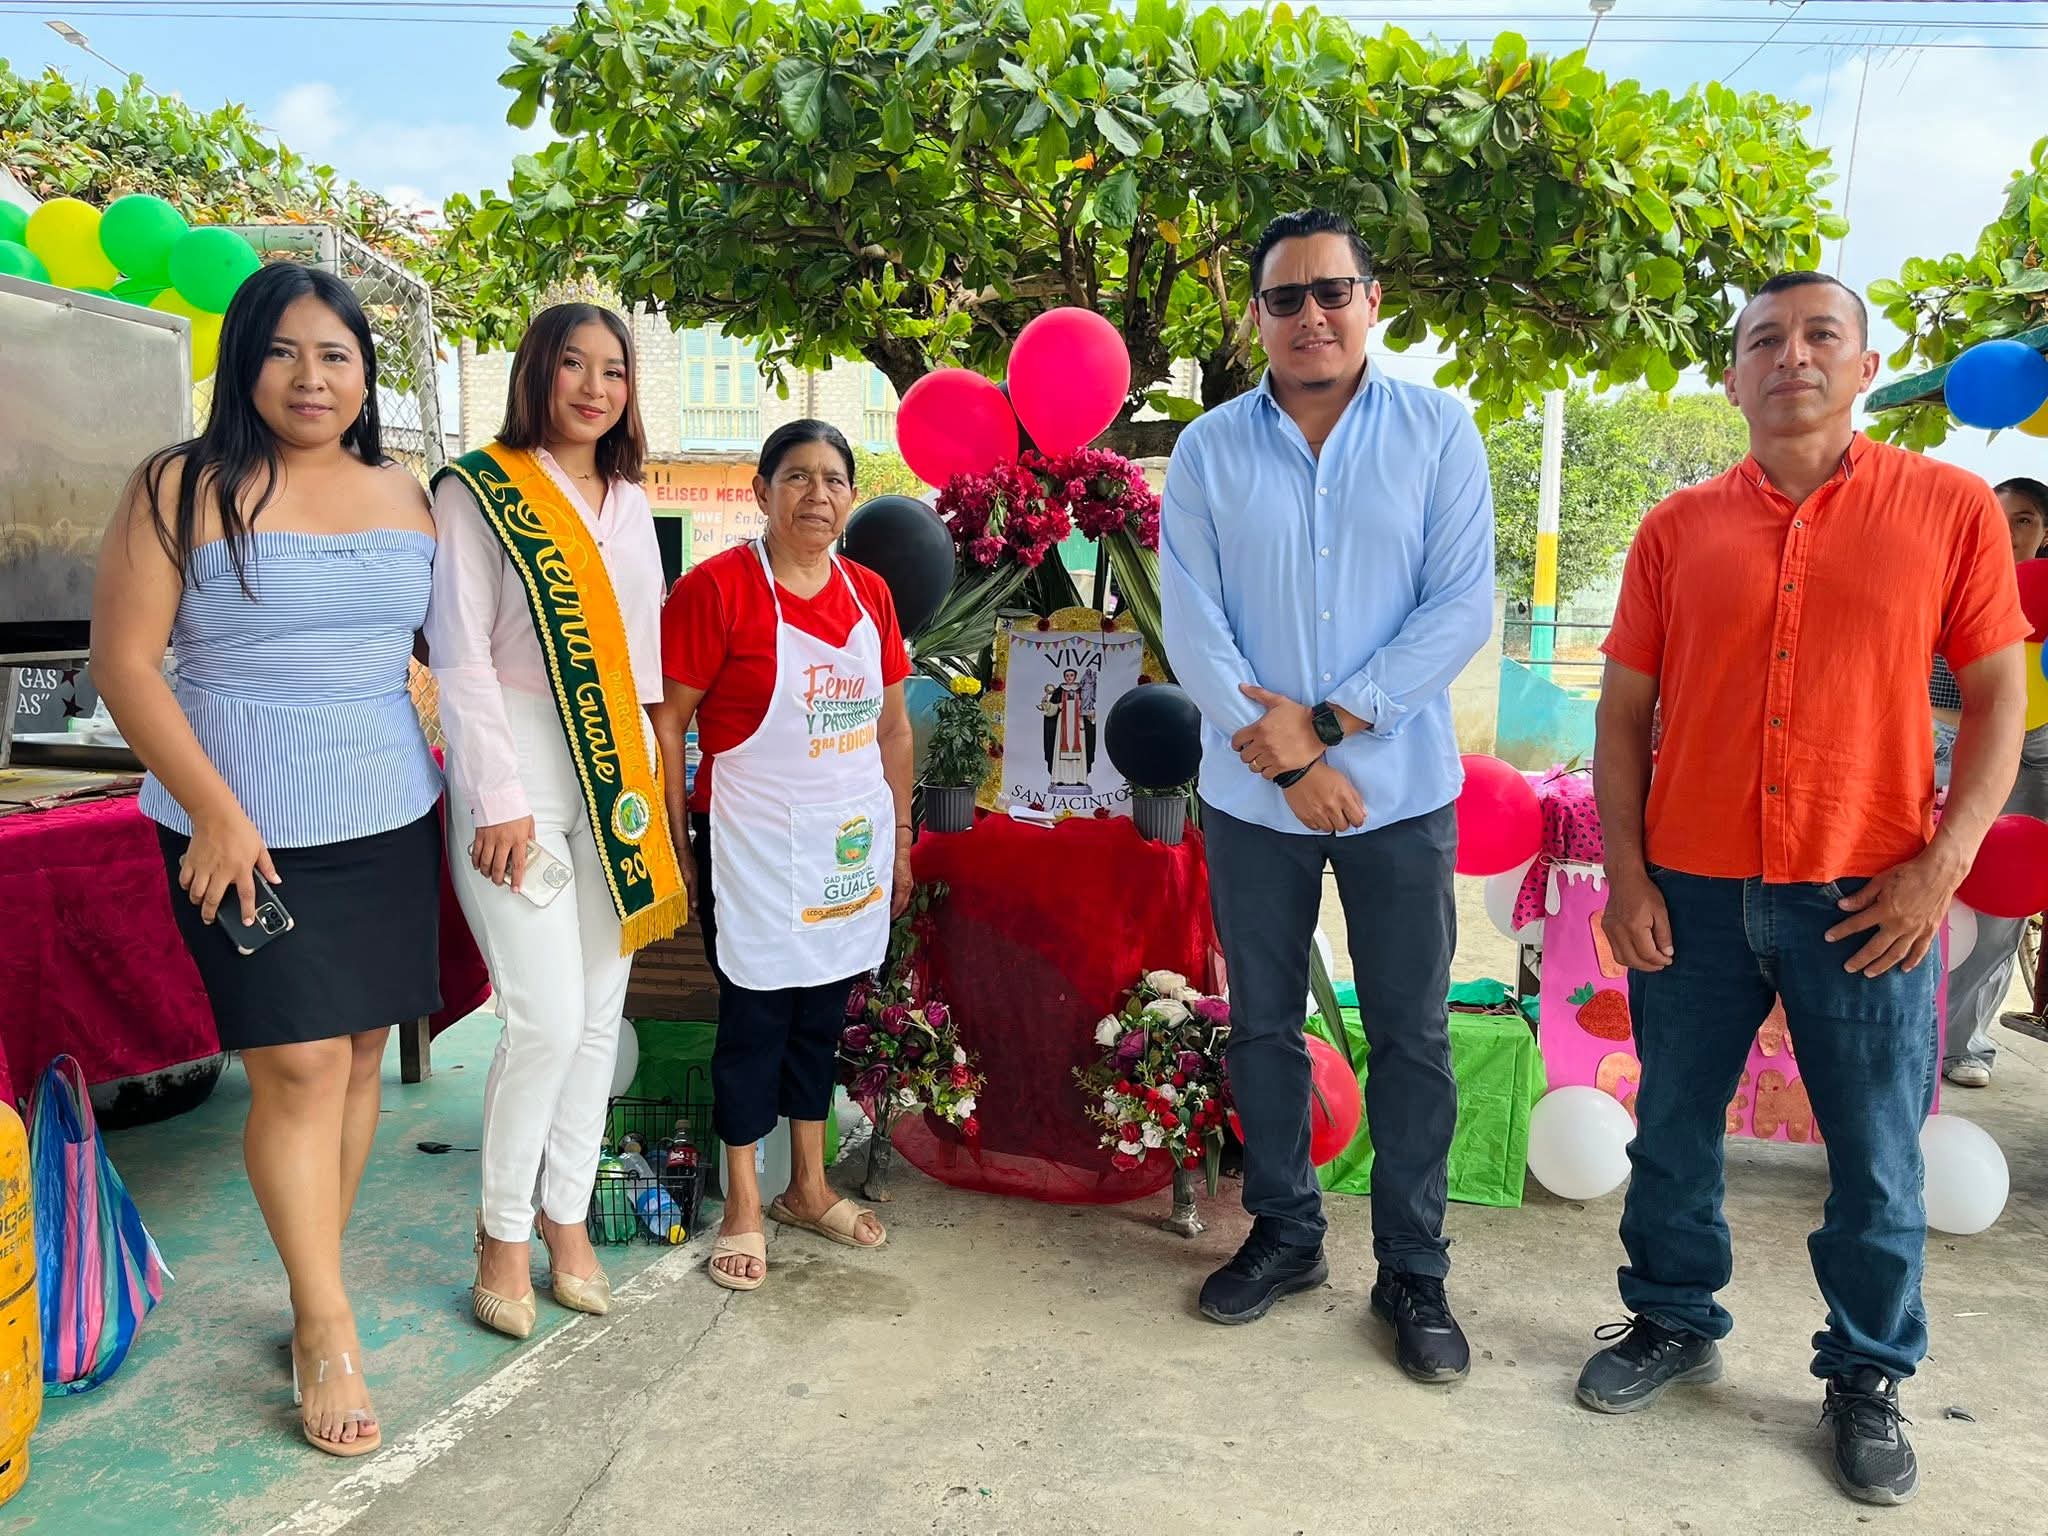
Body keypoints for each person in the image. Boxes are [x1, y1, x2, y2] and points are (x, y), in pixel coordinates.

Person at [1581, 270, 2028, 1507]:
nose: (1791, 356)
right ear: (1731, 378)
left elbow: (1998, 699)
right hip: (1691, 888)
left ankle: (1867, 1373)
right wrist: (1626, 875)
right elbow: (1621, 716)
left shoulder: (1945, 509)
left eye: (1819, 334)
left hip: (1867, 894)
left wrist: (1941, 866)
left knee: (1875, 1156)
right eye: (1762, 340)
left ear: (1862, 365)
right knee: (1671, 1131)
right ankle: (1671, 1319)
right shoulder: (1675, 530)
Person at [92, 261, 444, 1456]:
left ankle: (311, 1285)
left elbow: (450, 651)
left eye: (336, 355)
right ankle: (327, 1323)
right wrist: (217, 813)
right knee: (294, 1064)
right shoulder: (179, 484)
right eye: (285, 351)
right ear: (243, 360)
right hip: (236, 825)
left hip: (386, 812)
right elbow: (124, 664)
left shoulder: (404, 493)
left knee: (357, 1055)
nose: (311, 377)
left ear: (366, 376)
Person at [1158, 208, 1495, 1381]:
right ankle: (1286, 1232)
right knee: (1262, 1024)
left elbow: (1458, 605)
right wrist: (1292, 763)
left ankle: (1412, 1268)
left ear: (1370, 301)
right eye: (1284, 297)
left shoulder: (1438, 431)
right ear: (1255, 316)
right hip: (1255, 799)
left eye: (1330, 291)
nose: (1310, 315)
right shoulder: (1207, 450)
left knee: (1411, 1034)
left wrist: (1335, 724)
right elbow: (1190, 620)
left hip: (1398, 793)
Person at [426, 303, 686, 1339]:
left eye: (613, 370)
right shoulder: (478, 489)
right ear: (535, 372)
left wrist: (658, 783)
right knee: (539, 1015)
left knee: (595, 1015)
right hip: (519, 762)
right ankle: (499, 1231)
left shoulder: (630, 500)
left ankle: (564, 1214)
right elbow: (457, 653)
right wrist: (496, 797)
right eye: (573, 364)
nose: (594, 386)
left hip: (614, 772)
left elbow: (644, 662)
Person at [653, 420, 914, 1291]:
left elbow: (892, 729)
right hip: (753, 848)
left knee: (821, 1018)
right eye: (796, 477)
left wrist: (900, 844)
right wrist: (675, 842)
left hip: (846, 851)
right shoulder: (717, 589)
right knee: (754, 1021)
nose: (817, 494)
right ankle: (742, 1204)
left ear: (851, 497)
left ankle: (808, 1186)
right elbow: (669, 723)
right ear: (762, 491)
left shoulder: (870, 593)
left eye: (834, 479)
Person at [1937, 476, 2048, 1088]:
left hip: (2039, 753)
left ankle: (1964, 1045)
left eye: (2024, 520)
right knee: (1942, 894)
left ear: (2045, 532)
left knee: (2005, 906)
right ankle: (1914, 1034)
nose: (2008, 533)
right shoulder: (1951, 584)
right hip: (1955, 742)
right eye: (1998, 519)